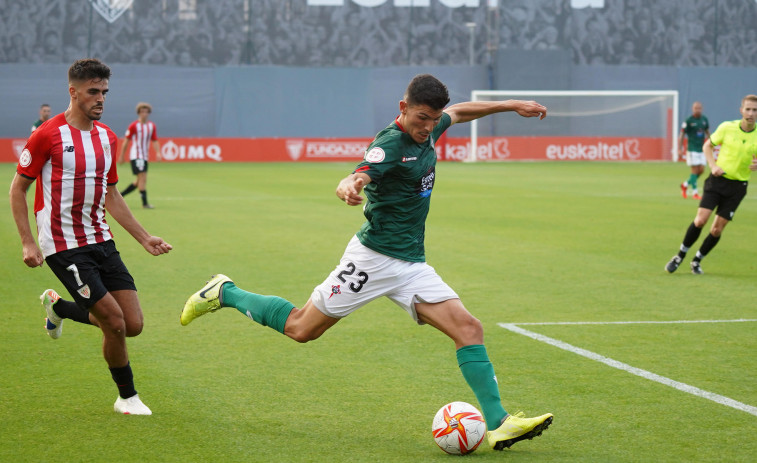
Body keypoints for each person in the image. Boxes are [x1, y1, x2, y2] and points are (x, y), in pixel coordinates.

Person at [181, 74, 553, 450]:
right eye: (421, 118)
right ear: (403, 108)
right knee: (301, 328)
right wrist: (349, 186)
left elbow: (457, 112)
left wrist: (510, 105)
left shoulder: (432, 124)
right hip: (372, 259)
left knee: (469, 329)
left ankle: (499, 422)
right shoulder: (390, 144)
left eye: (432, 119)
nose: (428, 127)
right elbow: (360, 173)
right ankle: (224, 292)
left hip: (411, 265)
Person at [9, 58, 173, 415]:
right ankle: (127, 397)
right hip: (62, 245)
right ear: (73, 92)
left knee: (133, 325)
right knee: (113, 324)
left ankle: (60, 308)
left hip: (101, 240)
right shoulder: (46, 135)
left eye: (104, 92)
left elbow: (112, 194)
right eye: (93, 92)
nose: (101, 98)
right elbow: (17, 189)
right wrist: (27, 241)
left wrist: (144, 237)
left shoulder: (107, 138)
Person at [665, 94, 757, 275]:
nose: (751, 113)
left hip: (738, 187)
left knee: (716, 229)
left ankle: (697, 260)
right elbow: (708, 145)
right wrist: (713, 165)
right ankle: (679, 256)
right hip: (717, 181)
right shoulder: (727, 127)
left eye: (754, 110)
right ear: (741, 110)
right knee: (700, 220)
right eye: (748, 109)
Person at [118, 102, 161, 209]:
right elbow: (126, 141)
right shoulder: (134, 126)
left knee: (138, 181)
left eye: (146, 112)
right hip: (136, 156)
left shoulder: (151, 126)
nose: (144, 114)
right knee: (143, 178)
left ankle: (120, 196)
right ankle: (145, 203)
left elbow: (155, 140)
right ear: (139, 113)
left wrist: (158, 152)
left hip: (144, 156)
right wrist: (122, 155)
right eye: (142, 111)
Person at [678, 101, 710, 199]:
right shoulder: (688, 120)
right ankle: (695, 193)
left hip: (701, 148)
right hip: (692, 149)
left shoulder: (704, 120)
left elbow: (707, 132)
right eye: (696, 108)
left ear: (702, 109)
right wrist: (680, 148)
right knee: (695, 170)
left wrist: (712, 143)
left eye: (699, 108)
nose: (698, 110)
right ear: (693, 109)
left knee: (701, 170)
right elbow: (682, 134)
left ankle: (685, 184)